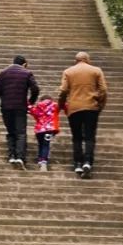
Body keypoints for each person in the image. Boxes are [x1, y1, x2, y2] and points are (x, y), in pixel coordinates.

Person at [59, 50, 108, 178]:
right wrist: (100, 104)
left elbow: (63, 90)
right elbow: (103, 89)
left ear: (76, 60)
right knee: (90, 136)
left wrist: (60, 105)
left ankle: (78, 163)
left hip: (74, 108)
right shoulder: (96, 70)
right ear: (88, 59)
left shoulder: (68, 72)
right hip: (91, 107)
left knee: (77, 137)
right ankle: (88, 162)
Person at [0, 54, 38, 168]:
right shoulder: (27, 73)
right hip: (20, 106)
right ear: (24, 64)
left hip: (6, 107)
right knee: (21, 132)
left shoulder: (3, 73)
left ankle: (12, 156)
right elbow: (35, 89)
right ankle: (20, 157)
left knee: (11, 131)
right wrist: (30, 102)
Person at [30, 93, 60, 171]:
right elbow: (63, 105)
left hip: (39, 130)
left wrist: (29, 105)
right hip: (49, 129)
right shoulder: (55, 105)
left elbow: (34, 112)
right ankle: (44, 162)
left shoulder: (38, 106)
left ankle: (40, 159)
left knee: (40, 144)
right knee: (46, 145)